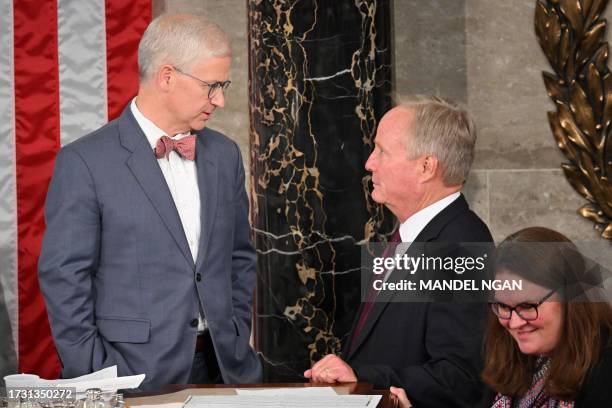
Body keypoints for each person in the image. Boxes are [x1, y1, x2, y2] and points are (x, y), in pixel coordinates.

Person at [38, 13, 261, 389]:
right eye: (212, 86)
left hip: (226, 369)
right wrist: (97, 374)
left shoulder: (225, 156)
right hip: (131, 377)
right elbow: (64, 279)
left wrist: (236, 332)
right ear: (167, 77)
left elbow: (240, 258)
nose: (220, 100)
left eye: (224, 85)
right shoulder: (84, 162)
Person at [304, 96, 493, 407]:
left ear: (425, 167)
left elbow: (461, 377)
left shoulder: (460, 246)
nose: (369, 163)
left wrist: (361, 376)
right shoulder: (409, 235)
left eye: (382, 151)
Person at [482, 226, 612, 407]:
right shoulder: (508, 357)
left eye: (527, 306)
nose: (514, 322)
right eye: (503, 306)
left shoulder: (605, 371)